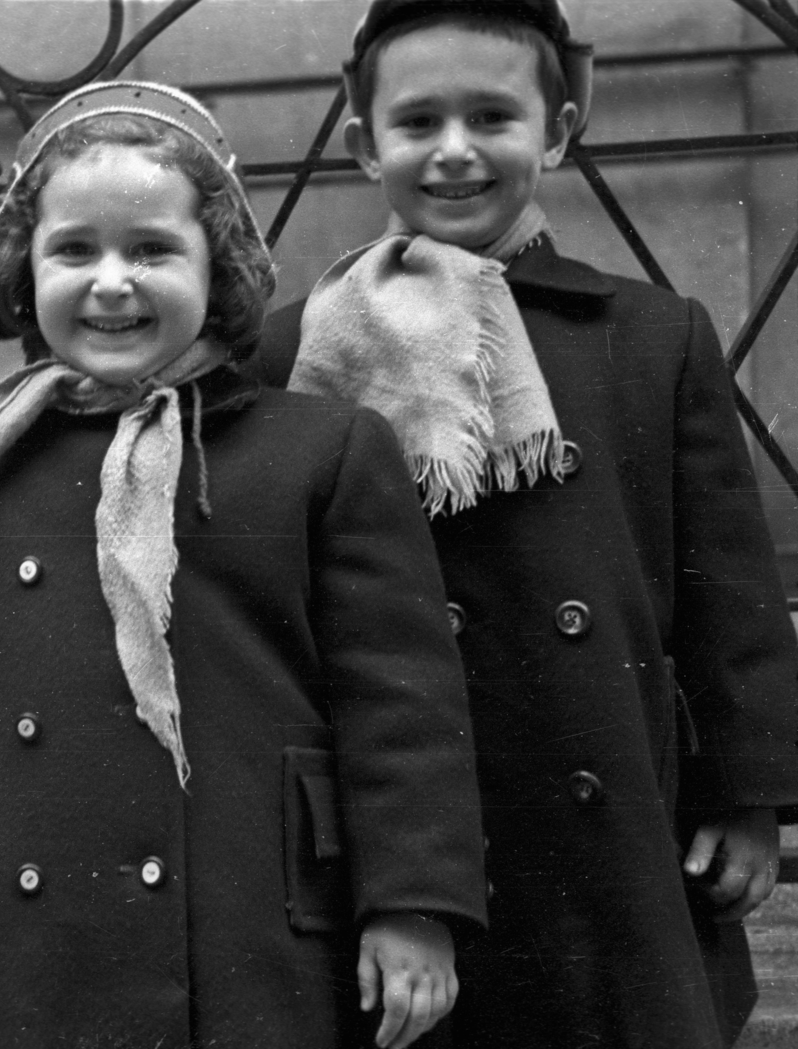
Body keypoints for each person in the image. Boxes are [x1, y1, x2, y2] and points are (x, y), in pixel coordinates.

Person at [249, 3, 798, 1046]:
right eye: (418, 123)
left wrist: (747, 791)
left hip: (604, 821)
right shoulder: (297, 357)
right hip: (404, 841)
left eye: (492, 117)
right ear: (366, 146)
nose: (455, 151)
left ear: (555, 130)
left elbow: (725, 578)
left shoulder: (644, 333)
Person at [0, 80, 487, 1049]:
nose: (110, 282)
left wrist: (413, 903)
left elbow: (402, 699)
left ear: (216, 269)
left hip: (244, 919)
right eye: (72, 250)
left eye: (150, 249)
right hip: (36, 940)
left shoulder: (318, 450)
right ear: (25, 270)